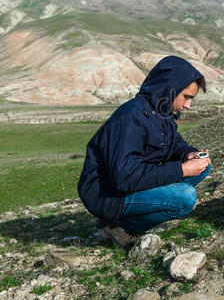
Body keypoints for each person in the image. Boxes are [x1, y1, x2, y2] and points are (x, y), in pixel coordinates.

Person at [77, 55, 211, 248]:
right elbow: (124, 177)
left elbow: (173, 142)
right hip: (107, 194)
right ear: (169, 89)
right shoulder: (132, 117)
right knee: (185, 197)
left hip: (132, 182)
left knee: (203, 166)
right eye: (186, 97)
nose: (188, 105)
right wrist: (181, 170)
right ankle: (119, 226)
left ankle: (140, 215)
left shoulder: (163, 112)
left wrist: (188, 154)